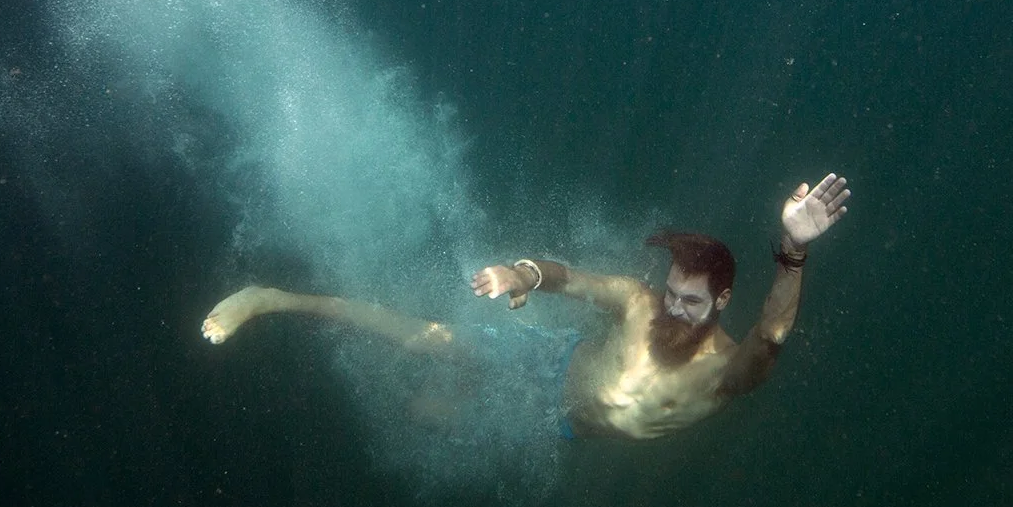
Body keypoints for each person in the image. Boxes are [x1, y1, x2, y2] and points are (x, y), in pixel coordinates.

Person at [200, 173, 851, 441]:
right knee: (429, 343)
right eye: (672, 292)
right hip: (547, 365)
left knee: (429, 416)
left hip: (564, 428)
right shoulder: (638, 302)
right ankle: (275, 298)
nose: (674, 310)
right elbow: (572, 281)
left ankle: (465, 387)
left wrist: (793, 251)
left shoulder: (722, 369)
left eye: (692, 302)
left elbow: (769, 340)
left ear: (722, 300)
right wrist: (522, 272)